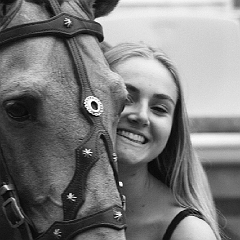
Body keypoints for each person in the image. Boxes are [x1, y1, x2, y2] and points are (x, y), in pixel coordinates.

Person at [104, 42, 221, 240]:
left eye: (159, 109)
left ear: (173, 130)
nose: (141, 116)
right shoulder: (42, 207)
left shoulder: (189, 233)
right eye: (126, 98)